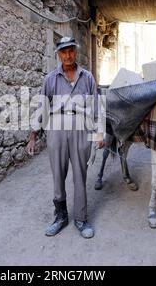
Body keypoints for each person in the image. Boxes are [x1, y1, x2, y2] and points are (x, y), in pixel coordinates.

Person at [27, 37, 104, 239]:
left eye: (71, 51)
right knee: (58, 176)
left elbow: (97, 108)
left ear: (75, 52)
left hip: (81, 129)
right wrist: (33, 135)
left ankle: (81, 218)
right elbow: (42, 108)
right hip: (57, 130)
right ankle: (60, 217)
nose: (68, 55)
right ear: (58, 54)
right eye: (64, 52)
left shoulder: (87, 77)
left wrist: (98, 134)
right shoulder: (50, 79)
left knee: (80, 175)